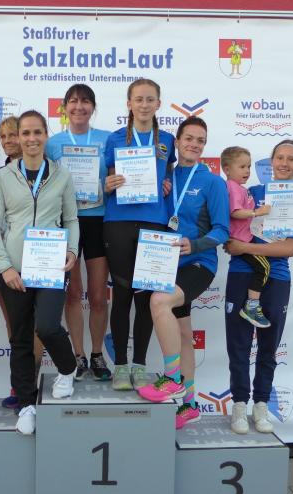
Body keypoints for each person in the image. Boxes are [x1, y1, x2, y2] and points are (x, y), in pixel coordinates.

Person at [0, 110, 80, 435]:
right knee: (20, 338)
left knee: (48, 326)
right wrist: (5, 266)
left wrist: (72, 251)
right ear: (18, 137)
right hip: (15, 269)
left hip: (51, 264)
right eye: (25, 133)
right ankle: (26, 404)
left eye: (37, 132)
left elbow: (71, 219)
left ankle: (68, 368)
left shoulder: (61, 175)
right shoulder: (4, 176)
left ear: (45, 135)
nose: (31, 138)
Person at [135, 117, 230, 429]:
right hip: (166, 265)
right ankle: (189, 405)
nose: (194, 144)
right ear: (176, 142)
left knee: (159, 301)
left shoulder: (212, 182)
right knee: (184, 334)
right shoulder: (165, 178)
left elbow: (222, 230)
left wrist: (196, 244)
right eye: (188, 138)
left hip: (199, 263)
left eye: (200, 140)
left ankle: (172, 379)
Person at [224, 139, 293, 434]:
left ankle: (261, 405)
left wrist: (245, 248)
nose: (284, 163)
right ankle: (239, 405)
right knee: (238, 344)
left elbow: (288, 249)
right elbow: (230, 223)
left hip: (276, 277)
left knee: (268, 346)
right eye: (279, 157)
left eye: (291, 159)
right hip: (241, 273)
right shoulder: (252, 192)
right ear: (271, 161)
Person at [103, 78, 176, 391]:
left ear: (158, 104)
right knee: (122, 294)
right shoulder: (115, 138)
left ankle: (140, 364)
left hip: (155, 223)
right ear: (129, 104)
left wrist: (167, 183)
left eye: (150, 99)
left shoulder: (168, 140)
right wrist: (108, 185)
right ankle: (120, 364)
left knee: (146, 297)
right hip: (118, 221)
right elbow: (108, 179)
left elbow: (170, 174)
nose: (144, 105)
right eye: (138, 99)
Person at [45, 84, 112, 382]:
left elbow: (120, 175)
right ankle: (78, 354)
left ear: (93, 107)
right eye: (73, 101)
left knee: (97, 295)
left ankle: (97, 354)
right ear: (64, 107)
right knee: (72, 294)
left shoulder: (107, 139)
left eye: (85, 101)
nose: (79, 107)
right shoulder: (53, 143)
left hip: (98, 221)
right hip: (66, 223)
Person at [0, 116, 47, 410]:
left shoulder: (46, 169)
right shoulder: (1, 172)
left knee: (39, 326)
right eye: (3, 137)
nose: (9, 141)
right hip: (6, 256)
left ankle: (33, 382)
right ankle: (20, 385)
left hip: (40, 258)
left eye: (13, 134)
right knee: (15, 326)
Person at [223, 146, 273, 328]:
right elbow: (235, 212)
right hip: (241, 240)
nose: (247, 171)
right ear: (227, 169)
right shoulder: (233, 187)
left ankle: (252, 304)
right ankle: (251, 306)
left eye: (249, 167)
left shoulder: (240, 188)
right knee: (264, 268)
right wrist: (257, 212)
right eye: (242, 167)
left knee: (262, 267)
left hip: (244, 238)